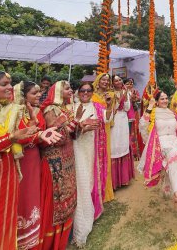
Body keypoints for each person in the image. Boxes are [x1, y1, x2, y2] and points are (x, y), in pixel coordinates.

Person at [0, 71, 56, 249]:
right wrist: (11, 138)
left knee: (7, 223)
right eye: (4, 84)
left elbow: (20, 137)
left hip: (10, 176)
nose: (10, 88)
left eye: (10, 84)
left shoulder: (11, 111)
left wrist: (36, 132)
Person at [13, 81, 62, 250]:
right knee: (22, 196)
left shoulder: (39, 112)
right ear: (23, 95)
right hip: (21, 160)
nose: (39, 95)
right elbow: (16, 138)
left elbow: (41, 138)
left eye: (40, 92)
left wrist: (47, 133)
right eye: (34, 93)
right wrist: (37, 135)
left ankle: (33, 240)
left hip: (35, 158)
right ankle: (19, 238)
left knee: (33, 195)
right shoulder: (15, 113)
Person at [39, 80, 84, 250]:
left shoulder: (64, 109)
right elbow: (56, 136)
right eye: (67, 88)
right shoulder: (50, 109)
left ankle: (67, 235)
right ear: (58, 91)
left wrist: (77, 121)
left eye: (70, 88)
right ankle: (53, 241)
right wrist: (71, 121)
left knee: (68, 194)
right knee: (58, 199)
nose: (71, 91)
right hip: (55, 160)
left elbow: (70, 133)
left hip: (68, 157)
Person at [72, 83, 113, 247]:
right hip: (77, 147)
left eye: (89, 91)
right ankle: (80, 215)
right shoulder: (72, 107)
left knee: (90, 178)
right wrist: (83, 127)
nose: (86, 93)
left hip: (92, 147)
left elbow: (107, 118)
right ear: (78, 92)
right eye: (83, 90)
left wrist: (109, 106)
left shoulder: (96, 105)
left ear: (92, 92)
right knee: (80, 180)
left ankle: (92, 209)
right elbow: (70, 129)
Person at [91, 73, 115, 202]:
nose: (105, 82)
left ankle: (105, 192)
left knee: (104, 156)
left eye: (107, 80)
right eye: (103, 80)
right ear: (98, 81)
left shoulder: (110, 95)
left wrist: (109, 104)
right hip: (92, 130)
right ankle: (94, 190)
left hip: (104, 130)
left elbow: (110, 117)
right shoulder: (91, 96)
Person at [111, 75, 135, 189]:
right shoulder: (110, 94)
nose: (119, 82)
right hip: (113, 120)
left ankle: (124, 178)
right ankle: (114, 180)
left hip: (123, 119)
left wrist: (125, 97)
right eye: (116, 80)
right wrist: (120, 98)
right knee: (114, 146)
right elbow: (113, 107)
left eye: (120, 79)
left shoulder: (126, 92)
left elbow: (127, 108)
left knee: (123, 144)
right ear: (112, 83)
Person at [124, 78, 142, 161]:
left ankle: (135, 153)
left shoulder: (135, 91)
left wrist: (134, 98)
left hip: (134, 113)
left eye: (131, 83)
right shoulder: (122, 92)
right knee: (127, 132)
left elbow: (139, 99)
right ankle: (127, 153)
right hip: (125, 114)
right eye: (127, 83)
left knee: (134, 131)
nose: (130, 85)